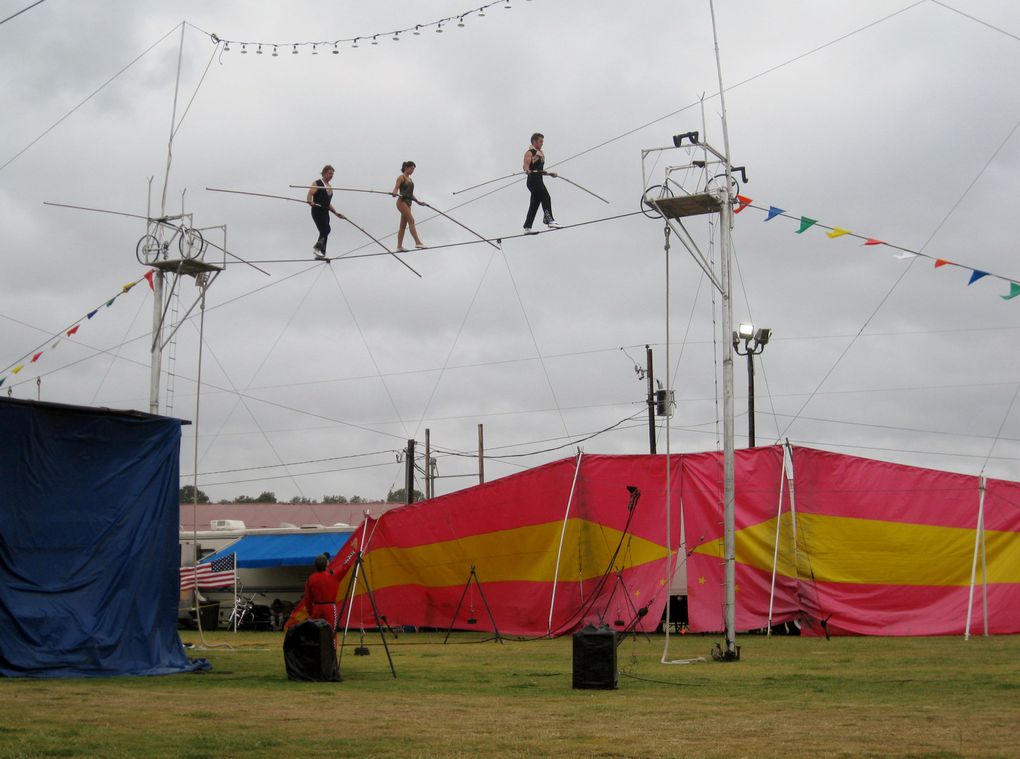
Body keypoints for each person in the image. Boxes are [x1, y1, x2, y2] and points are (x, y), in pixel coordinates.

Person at [522, 132, 560, 234]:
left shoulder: (541, 154)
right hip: (533, 181)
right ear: (534, 141)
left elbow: (539, 170)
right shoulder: (530, 152)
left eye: (542, 142)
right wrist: (527, 170)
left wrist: (549, 174)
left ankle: (527, 227)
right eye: (540, 141)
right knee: (546, 197)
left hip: (538, 180)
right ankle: (549, 220)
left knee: (535, 204)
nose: (542, 143)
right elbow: (525, 165)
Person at [306, 164, 341, 257]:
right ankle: (318, 249)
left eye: (333, 174)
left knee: (326, 230)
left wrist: (336, 213)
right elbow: (310, 194)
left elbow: (328, 203)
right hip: (317, 210)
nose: (332, 176)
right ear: (324, 173)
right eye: (330, 173)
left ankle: (321, 252)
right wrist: (310, 201)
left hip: (325, 211)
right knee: (325, 229)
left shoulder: (329, 187)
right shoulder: (317, 183)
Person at [391, 161, 426, 252]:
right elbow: (396, 187)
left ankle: (399, 246)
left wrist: (418, 201)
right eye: (411, 168)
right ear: (406, 167)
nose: (412, 171)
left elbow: (410, 194)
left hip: (408, 203)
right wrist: (394, 192)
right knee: (411, 220)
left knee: (403, 226)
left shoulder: (410, 180)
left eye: (413, 169)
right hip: (401, 202)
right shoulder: (401, 177)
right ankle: (418, 242)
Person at [304, 553, 340, 633]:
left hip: (316, 608)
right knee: (331, 632)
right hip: (330, 607)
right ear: (327, 563)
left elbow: (307, 598)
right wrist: (353, 552)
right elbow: (346, 566)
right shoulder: (333, 575)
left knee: (316, 633)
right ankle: (331, 646)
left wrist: (310, 611)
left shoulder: (311, 578)